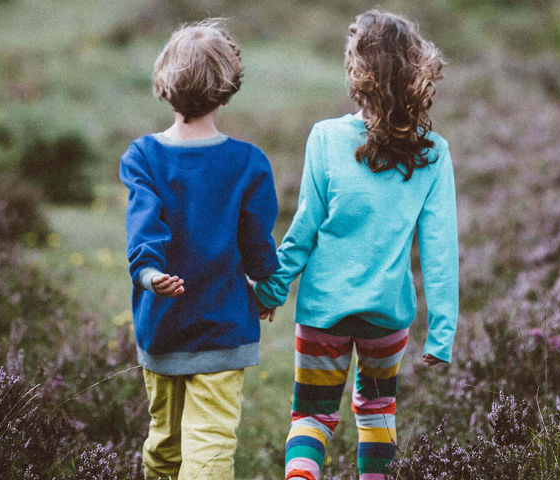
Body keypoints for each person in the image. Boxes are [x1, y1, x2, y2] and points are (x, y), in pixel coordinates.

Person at [253, 10, 458, 480]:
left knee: (312, 416)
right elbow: (440, 249)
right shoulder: (433, 153)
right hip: (387, 315)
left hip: (324, 308)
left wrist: (272, 289)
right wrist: (441, 332)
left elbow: (304, 228)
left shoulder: (325, 138)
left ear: (356, 73)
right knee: (376, 412)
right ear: (415, 73)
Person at [119, 19, 279, 480]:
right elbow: (257, 246)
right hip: (225, 326)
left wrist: (149, 276)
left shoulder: (143, 156)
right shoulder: (249, 161)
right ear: (228, 88)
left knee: (163, 446)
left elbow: (143, 228)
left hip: (161, 325)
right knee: (209, 446)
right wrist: (265, 286)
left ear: (164, 84)